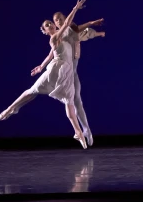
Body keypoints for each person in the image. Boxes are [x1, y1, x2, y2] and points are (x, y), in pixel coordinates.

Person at [0, 0, 89, 149]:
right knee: (32, 91)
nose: (50, 25)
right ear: (46, 32)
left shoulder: (61, 38)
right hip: (57, 70)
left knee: (69, 102)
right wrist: (75, 8)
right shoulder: (54, 37)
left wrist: (40, 66)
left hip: (65, 71)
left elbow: (50, 55)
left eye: (50, 23)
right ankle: (10, 109)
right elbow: (66, 24)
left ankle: (78, 132)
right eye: (47, 25)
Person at [32, 12, 104, 146]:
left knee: (77, 101)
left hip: (73, 72)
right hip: (65, 73)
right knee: (72, 101)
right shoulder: (58, 36)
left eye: (59, 19)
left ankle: (86, 129)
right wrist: (41, 66)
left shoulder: (69, 31)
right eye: (55, 20)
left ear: (64, 20)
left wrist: (98, 32)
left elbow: (82, 31)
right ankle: (82, 130)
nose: (57, 22)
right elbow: (50, 54)